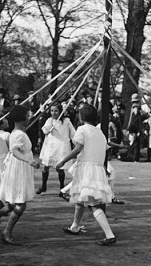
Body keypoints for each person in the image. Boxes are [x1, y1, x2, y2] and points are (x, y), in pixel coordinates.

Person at [56, 104, 116, 246]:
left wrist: (62, 161)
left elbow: (77, 149)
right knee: (80, 199)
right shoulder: (100, 132)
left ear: (81, 117)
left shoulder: (82, 130)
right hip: (97, 169)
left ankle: (109, 234)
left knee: (93, 204)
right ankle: (75, 226)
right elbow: (104, 151)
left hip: (87, 170)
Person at [0, 105, 40, 245]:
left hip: (18, 167)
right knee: (20, 204)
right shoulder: (18, 134)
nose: (29, 118)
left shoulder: (17, 132)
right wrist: (30, 160)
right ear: (23, 118)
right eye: (27, 116)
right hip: (19, 168)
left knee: (12, 202)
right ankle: (7, 232)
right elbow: (14, 151)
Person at [37, 104, 75, 199]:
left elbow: (73, 134)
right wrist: (50, 125)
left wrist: (76, 142)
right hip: (50, 146)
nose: (54, 113)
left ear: (60, 111)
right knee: (46, 166)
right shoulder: (49, 120)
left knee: (60, 168)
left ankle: (62, 187)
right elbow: (45, 131)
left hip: (61, 147)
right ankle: (43, 186)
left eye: (56, 111)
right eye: (52, 111)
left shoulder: (66, 122)